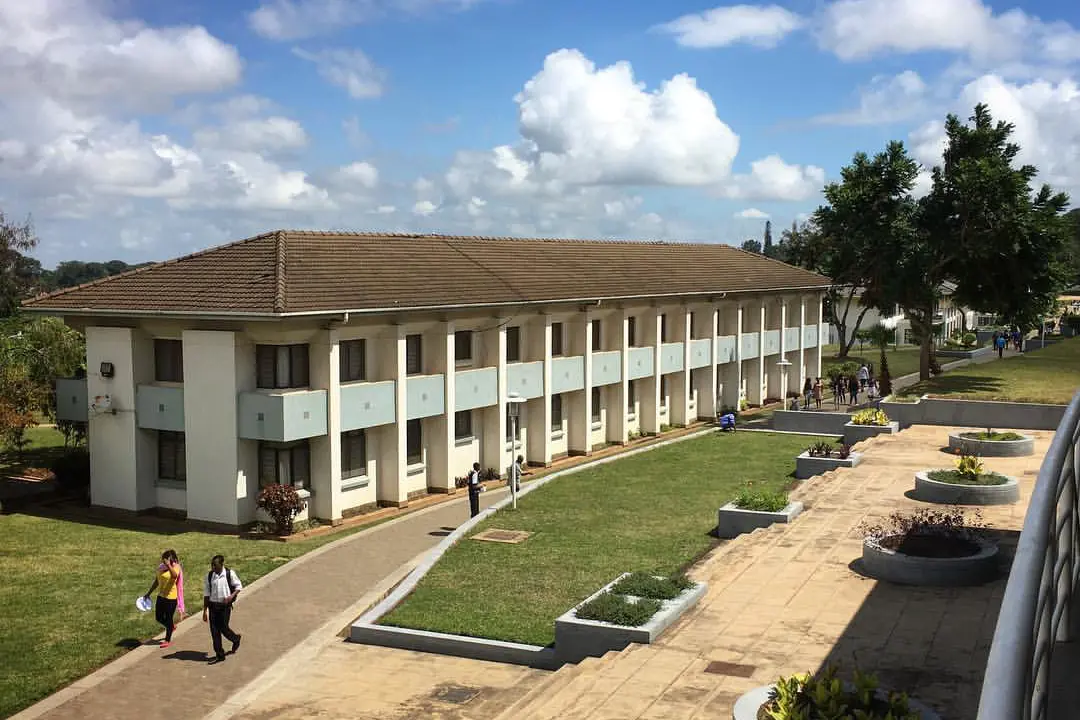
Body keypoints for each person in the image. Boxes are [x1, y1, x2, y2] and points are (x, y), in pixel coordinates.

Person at [203, 555, 242, 665]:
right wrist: (205, 611)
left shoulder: (229, 574)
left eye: (215, 565)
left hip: (225, 607)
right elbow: (206, 594)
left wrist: (231, 596)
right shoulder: (210, 576)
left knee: (224, 628)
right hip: (213, 607)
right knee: (214, 632)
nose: (213, 568)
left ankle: (235, 639)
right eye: (212, 565)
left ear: (221, 564)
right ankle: (220, 655)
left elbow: (239, 586)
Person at [142, 549, 185, 648]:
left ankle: (167, 639)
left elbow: (174, 576)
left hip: (171, 598)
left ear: (170, 559)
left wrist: (169, 565)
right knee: (159, 617)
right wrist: (148, 593)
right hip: (161, 596)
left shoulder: (176, 567)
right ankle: (171, 626)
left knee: (169, 618)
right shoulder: (161, 567)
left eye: (165, 560)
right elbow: (157, 580)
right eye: (163, 559)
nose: (163, 561)